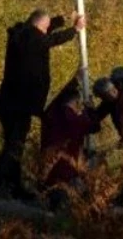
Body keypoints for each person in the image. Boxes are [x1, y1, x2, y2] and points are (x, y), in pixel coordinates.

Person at [0, 8, 85, 200]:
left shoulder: (23, 33)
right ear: (40, 26)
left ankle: (13, 186)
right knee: (14, 146)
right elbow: (50, 40)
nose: (48, 29)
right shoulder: (33, 39)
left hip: (11, 102)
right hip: (19, 103)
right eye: (46, 27)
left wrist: (61, 20)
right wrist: (74, 30)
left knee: (14, 146)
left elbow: (42, 28)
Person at [38, 71, 103, 209]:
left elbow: (57, 100)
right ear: (77, 102)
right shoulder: (76, 120)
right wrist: (90, 110)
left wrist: (74, 80)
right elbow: (95, 127)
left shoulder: (51, 116)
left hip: (48, 174)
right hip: (66, 176)